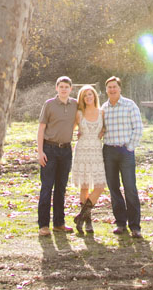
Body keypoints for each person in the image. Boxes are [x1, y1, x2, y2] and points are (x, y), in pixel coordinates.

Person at [101, 75, 144, 237]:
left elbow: (138, 128)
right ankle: (120, 223)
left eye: (114, 87)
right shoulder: (103, 108)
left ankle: (135, 226)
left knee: (130, 188)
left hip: (126, 151)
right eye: (109, 87)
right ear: (106, 90)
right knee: (113, 188)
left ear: (120, 89)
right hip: (109, 151)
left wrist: (130, 147)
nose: (112, 90)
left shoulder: (129, 105)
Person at [37, 76, 78, 236]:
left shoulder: (74, 104)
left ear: (70, 89)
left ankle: (59, 223)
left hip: (66, 151)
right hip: (49, 150)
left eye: (66, 87)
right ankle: (43, 225)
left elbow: (76, 121)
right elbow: (41, 129)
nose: (63, 89)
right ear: (56, 88)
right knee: (47, 187)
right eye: (61, 87)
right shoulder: (49, 105)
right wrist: (40, 152)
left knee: (61, 188)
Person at [70, 84, 106, 234]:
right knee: (84, 186)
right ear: (82, 98)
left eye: (90, 94)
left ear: (94, 96)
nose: (88, 97)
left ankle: (80, 216)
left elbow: (106, 127)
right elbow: (68, 129)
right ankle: (87, 222)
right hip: (82, 150)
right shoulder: (79, 113)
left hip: (97, 150)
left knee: (99, 185)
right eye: (85, 95)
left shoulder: (102, 112)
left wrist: (103, 130)